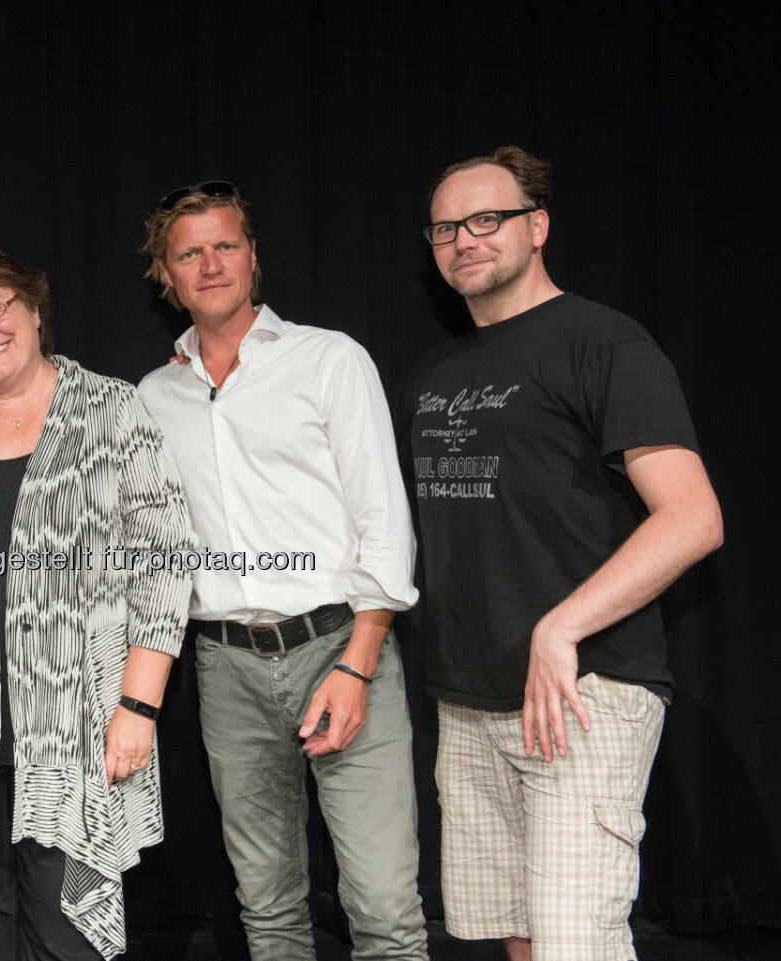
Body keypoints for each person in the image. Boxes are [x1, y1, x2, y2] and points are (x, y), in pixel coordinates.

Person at [407, 146, 723, 961]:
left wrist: (561, 628)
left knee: (574, 943)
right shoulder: (438, 368)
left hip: (584, 691)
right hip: (471, 698)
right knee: (516, 934)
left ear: (537, 226)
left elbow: (692, 517)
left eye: (487, 219)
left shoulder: (603, 343)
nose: (464, 239)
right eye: (446, 227)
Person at [137, 182, 429, 961]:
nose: (210, 264)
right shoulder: (152, 397)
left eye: (224, 244)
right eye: (188, 252)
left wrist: (358, 668)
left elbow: (383, 520)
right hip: (224, 665)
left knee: (385, 909)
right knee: (266, 909)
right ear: (166, 275)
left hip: (338, 646)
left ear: (254, 257)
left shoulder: (328, 359)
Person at [0, 247, 194, 960]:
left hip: (80, 729)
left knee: (68, 931)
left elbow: (166, 563)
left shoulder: (114, 410)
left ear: (35, 309)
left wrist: (139, 706)